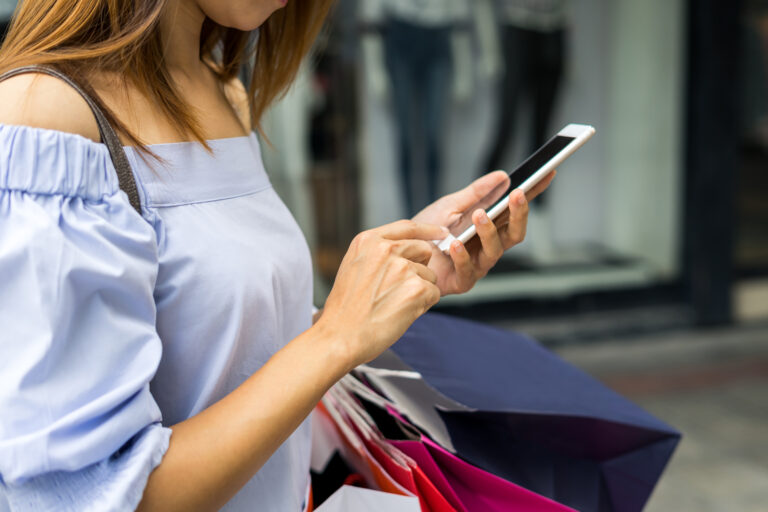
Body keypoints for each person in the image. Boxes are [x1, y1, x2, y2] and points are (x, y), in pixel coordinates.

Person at [0, 0, 555, 510]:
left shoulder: (223, 91)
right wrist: (335, 337)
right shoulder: (44, 114)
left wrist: (406, 270)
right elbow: (84, 495)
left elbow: (233, 348)